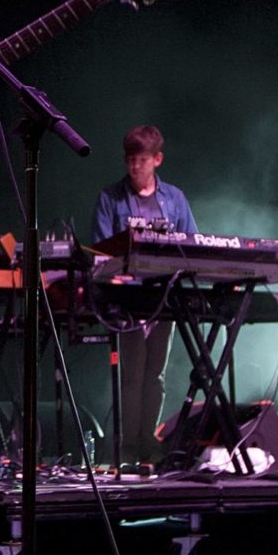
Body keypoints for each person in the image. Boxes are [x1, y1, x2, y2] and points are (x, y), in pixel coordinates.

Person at [90, 124, 198, 469]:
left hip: (163, 298)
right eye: (130, 160)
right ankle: (128, 448)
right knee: (132, 375)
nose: (135, 167)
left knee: (156, 376)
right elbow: (100, 249)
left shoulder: (175, 199)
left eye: (141, 160)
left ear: (157, 160)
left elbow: (192, 243)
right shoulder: (111, 198)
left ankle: (149, 444)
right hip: (128, 300)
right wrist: (115, 273)